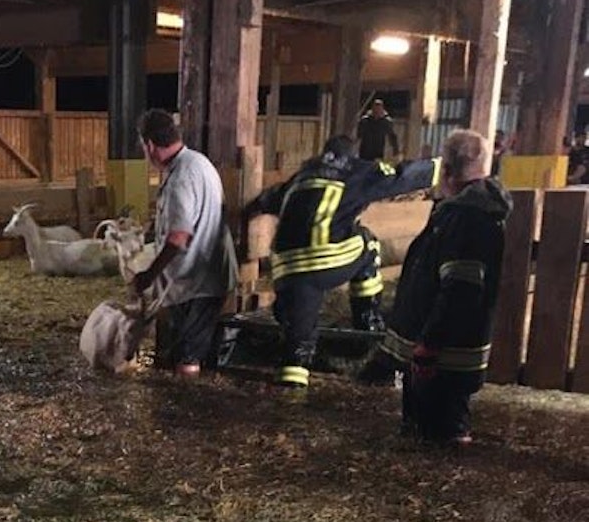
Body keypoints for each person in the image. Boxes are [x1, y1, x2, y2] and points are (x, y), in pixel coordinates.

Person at [243, 134, 440, 389]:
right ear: (353, 154)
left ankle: (290, 388)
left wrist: (248, 211)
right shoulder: (357, 171)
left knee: (297, 342)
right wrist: (439, 167)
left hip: (285, 269)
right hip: (323, 261)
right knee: (368, 241)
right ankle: (367, 320)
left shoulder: (302, 175)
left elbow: (267, 199)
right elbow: (400, 176)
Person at [380, 128, 512, 446]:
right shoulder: (466, 212)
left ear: (447, 171)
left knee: (442, 433)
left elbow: (460, 289)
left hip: (443, 356)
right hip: (439, 350)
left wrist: (429, 344)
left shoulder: (466, 219)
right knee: (422, 429)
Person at [130, 108, 239, 378]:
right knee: (189, 347)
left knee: (187, 353)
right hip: (204, 276)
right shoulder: (198, 162)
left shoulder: (180, 178)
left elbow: (179, 237)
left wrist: (148, 276)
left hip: (195, 283)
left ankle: (186, 406)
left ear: (150, 145)